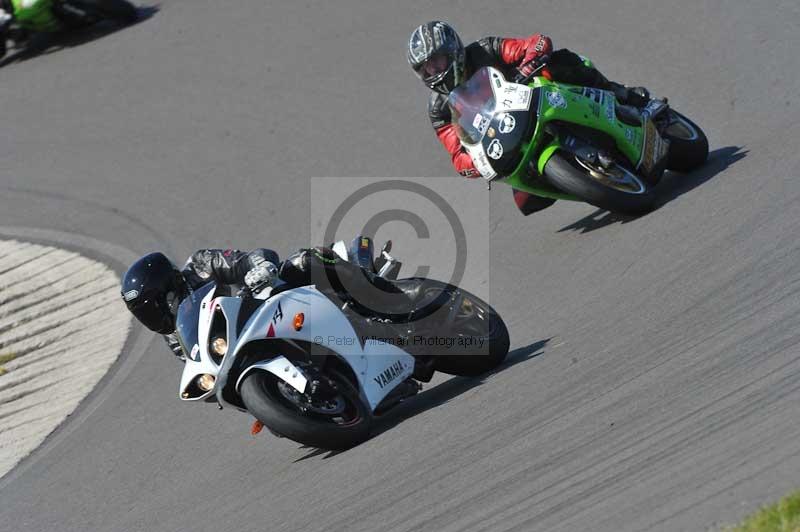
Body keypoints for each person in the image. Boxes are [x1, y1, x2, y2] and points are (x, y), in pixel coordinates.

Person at [408, 21, 651, 215]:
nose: (434, 71)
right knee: (526, 201)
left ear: (452, 49)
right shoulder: (439, 109)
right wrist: (473, 166)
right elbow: (457, 154)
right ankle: (588, 181)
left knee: (563, 62)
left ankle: (622, 94)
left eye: (437, 61)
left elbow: (535, 43)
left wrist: (527, 65)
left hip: (534, 97)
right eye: (426, 69)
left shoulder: (484, 49)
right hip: (505, 137)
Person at [120, 246, 418, 359]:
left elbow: (245, 258)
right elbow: (204, 363)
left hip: (268, 300)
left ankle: (382, 293)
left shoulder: (200, 265)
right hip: (254, 343)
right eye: (145, 312)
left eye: (155, 305)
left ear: (169, 288)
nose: (155, 315)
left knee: (306, 260)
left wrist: (258, 267)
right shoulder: (175, 339)